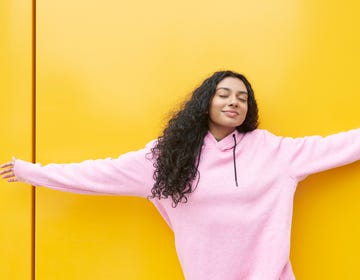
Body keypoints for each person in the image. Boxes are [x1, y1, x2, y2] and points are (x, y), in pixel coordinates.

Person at [1, 69, 360, 280]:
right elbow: (98, 173)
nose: (234, 102)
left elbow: (337, 146)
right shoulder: (167, 157)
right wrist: (30, 172)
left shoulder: (272, 151)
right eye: (224, 94)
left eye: (242, 97)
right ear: (206, 101)